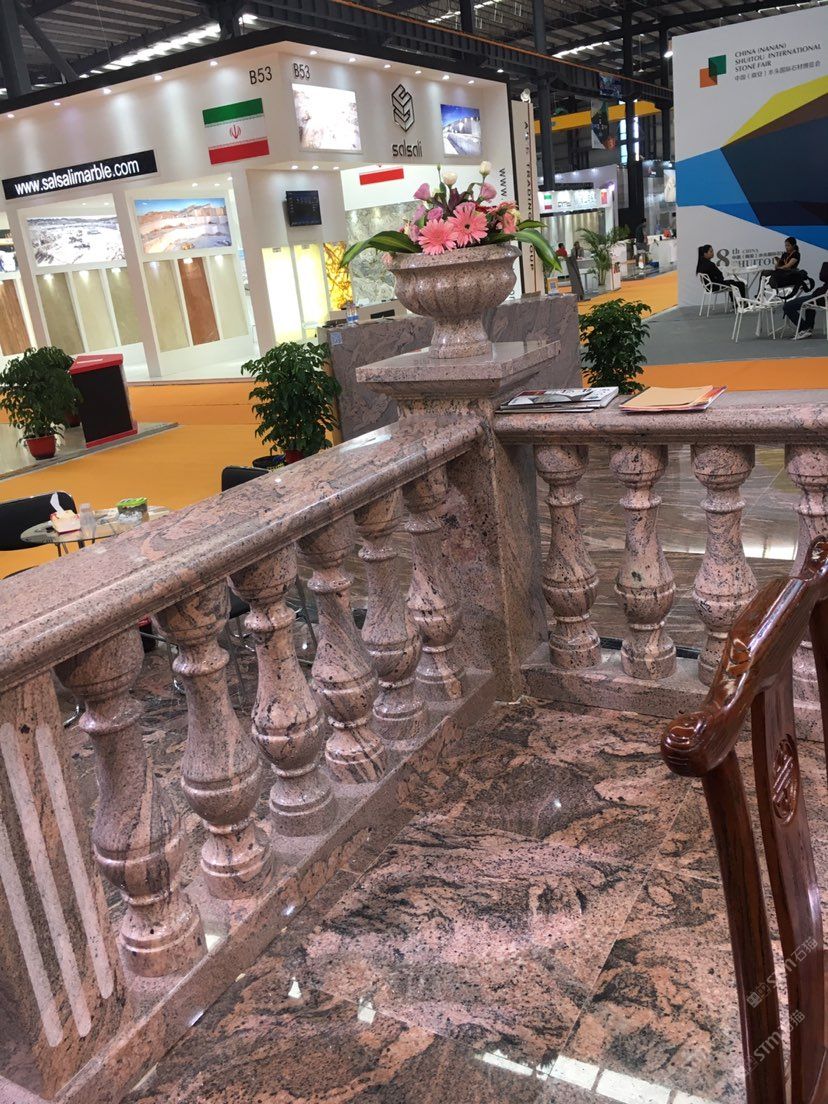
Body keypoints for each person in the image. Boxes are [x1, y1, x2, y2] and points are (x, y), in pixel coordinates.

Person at [783, 261, 828, 339]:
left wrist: (825, 264)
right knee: (809, 304)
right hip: (821, 297)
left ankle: (804, 329)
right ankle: (808, 329)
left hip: (821, 297)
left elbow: (823, 276)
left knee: (787, 306)